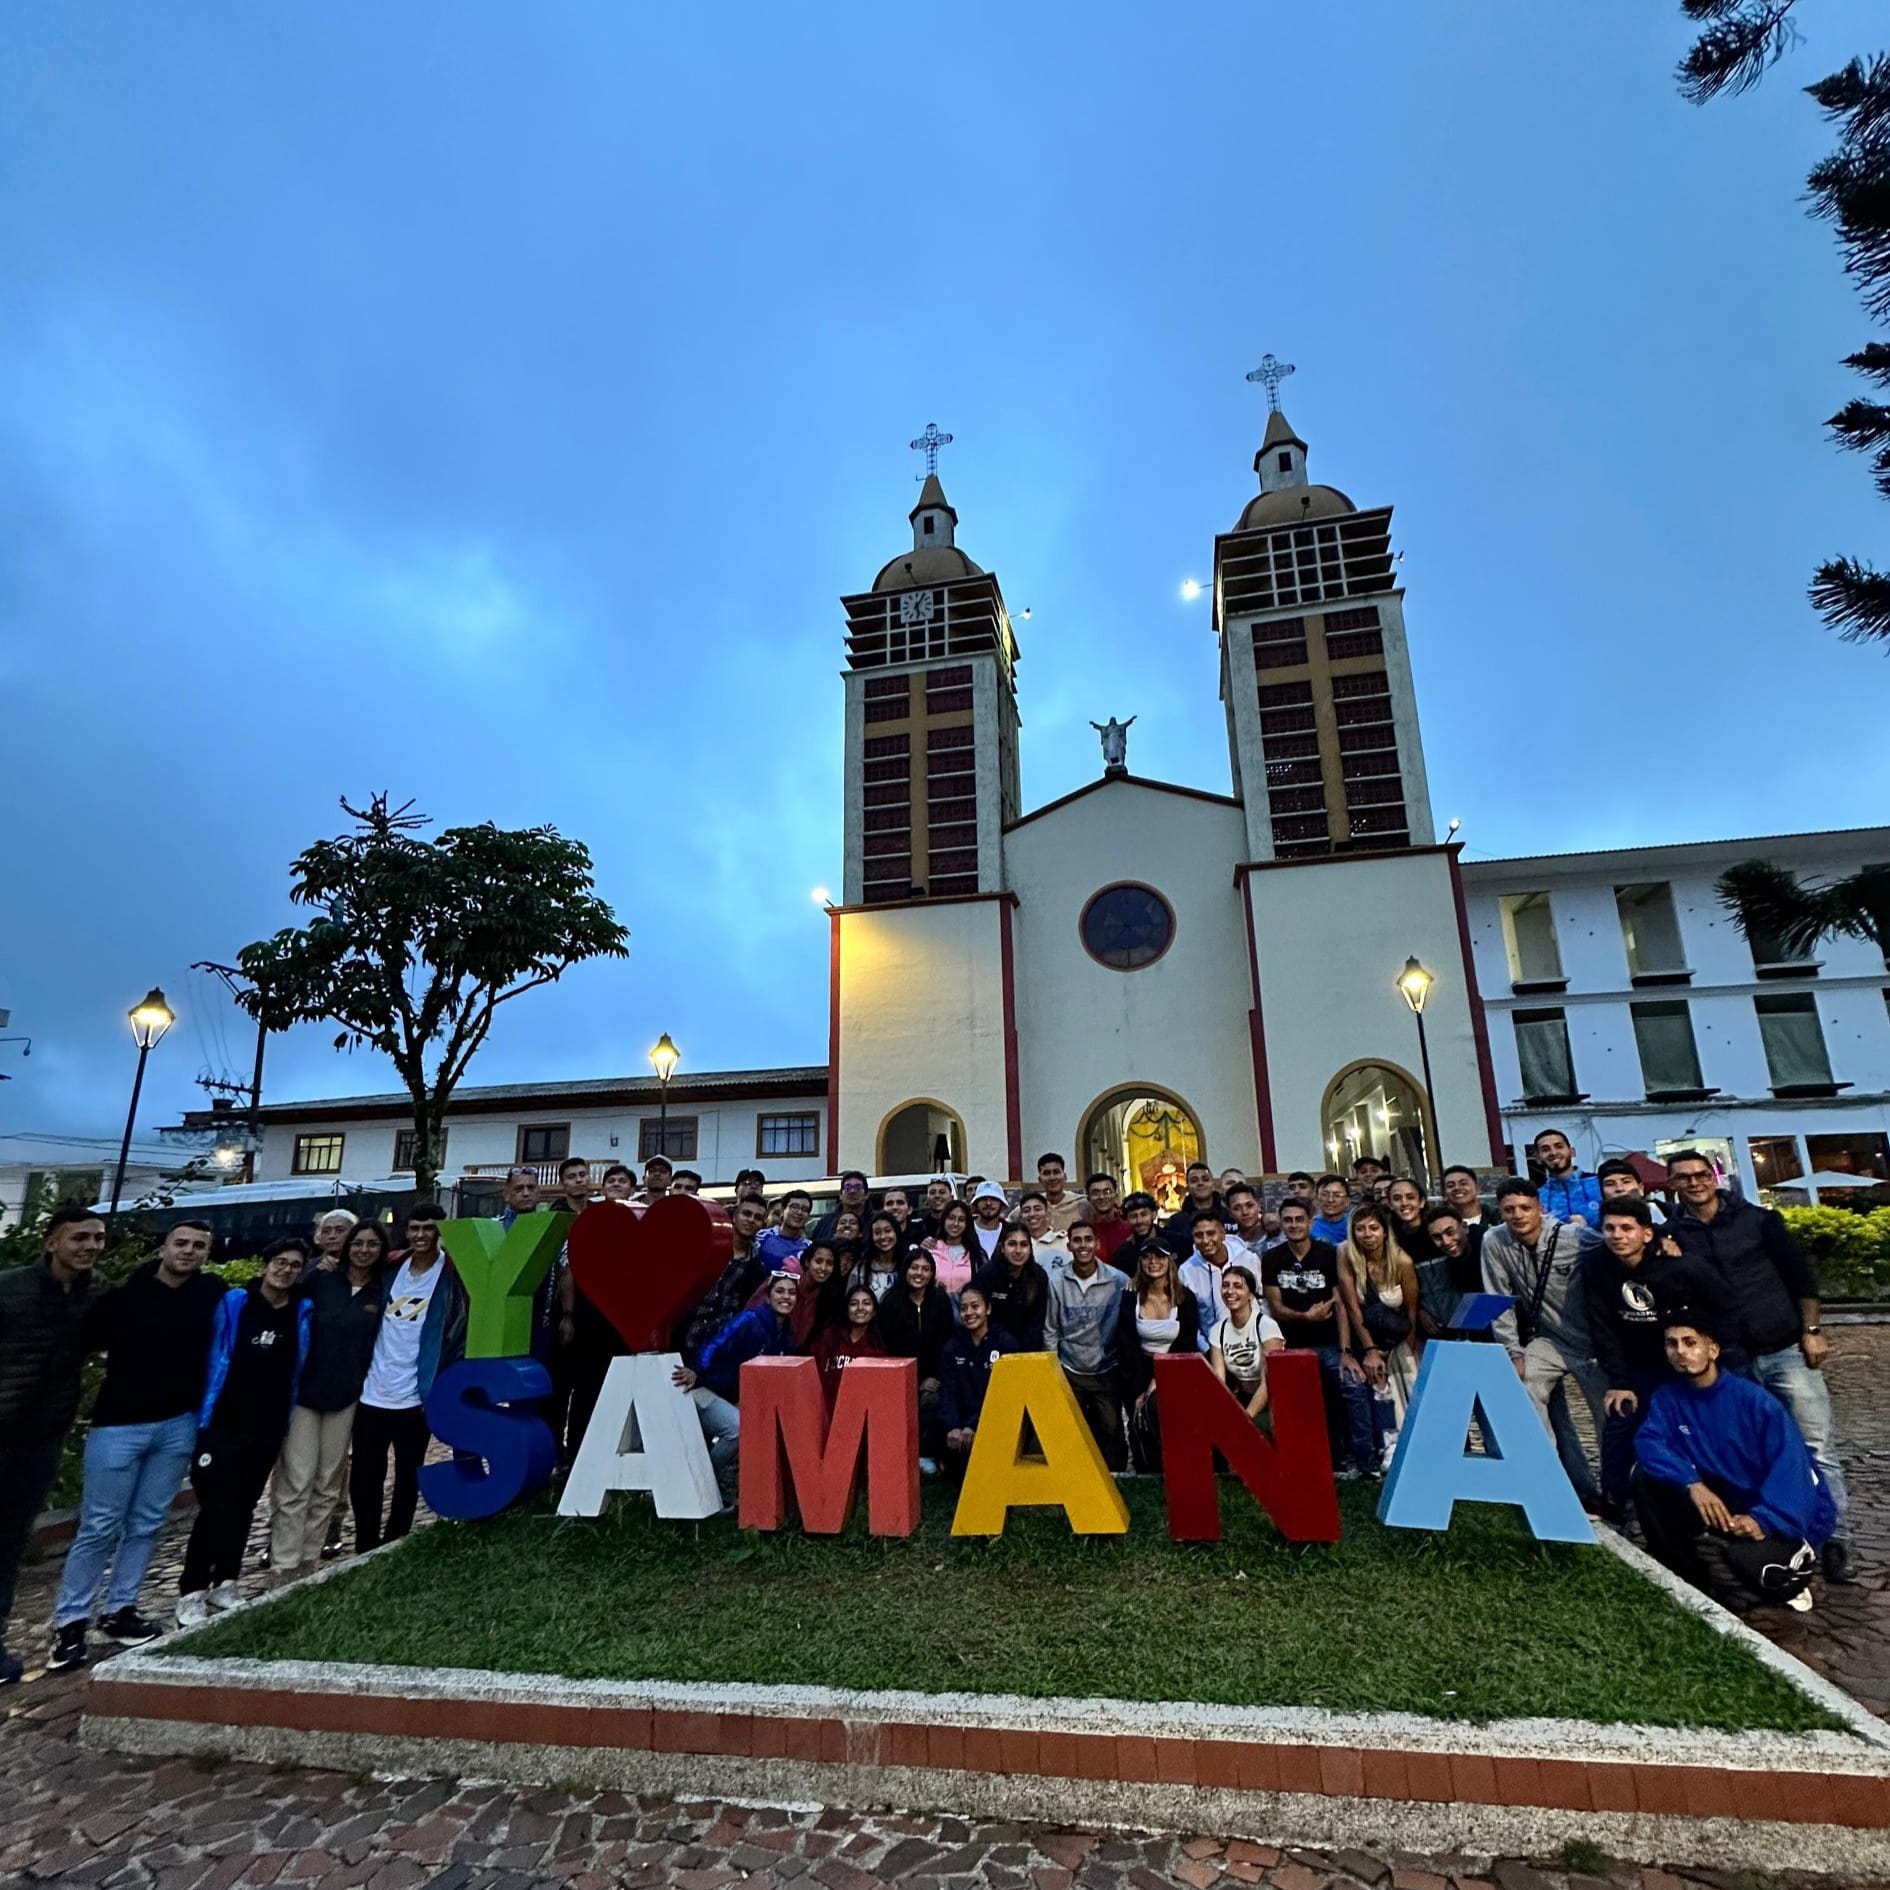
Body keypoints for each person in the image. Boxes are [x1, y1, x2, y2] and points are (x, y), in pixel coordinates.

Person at [1665, 1147, 1852, 1584]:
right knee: (1756, 1451)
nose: (1694, 1183)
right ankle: (1777, 1531)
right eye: (1683, 1178)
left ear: (1714, 1176)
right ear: (1672, 1185)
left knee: (1816, 1445)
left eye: (1699, 1174)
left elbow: (1799, 1276)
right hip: (1732, 1358)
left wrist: (1812, 1330)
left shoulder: (1758, 1220)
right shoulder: (1673, 1235)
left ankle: (1835, 1537)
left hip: (1784, 1346)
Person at [49, 1221, 224, 1671]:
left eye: (198, 1246)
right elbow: (77, 1345)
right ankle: (70, 1621)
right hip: (119, 1425)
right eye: (181, 1243)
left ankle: (120, 1608)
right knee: (99, 1525)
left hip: (177, 1424)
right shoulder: (122, 1298)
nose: (188, 1252)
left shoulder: (210, 1293)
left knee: (147, 1522)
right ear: (164, 1245)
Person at [1634, 1312, 1835, 1610]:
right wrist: (1691, 1483)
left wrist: (1762, 1519)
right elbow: (1649, 1443)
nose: (1681, 1352)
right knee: (1644, 1476)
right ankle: (1686, 1572)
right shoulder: (1667, 1398)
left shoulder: (1755, 1402)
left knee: (1759, 1572)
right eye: (1672, 1344)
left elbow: (1792, 1470)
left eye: (1691, 1343)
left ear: (1712, 1350)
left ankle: (1800, 1558)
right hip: (1727, 1500)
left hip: (1778, 1508)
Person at [175, 1241, 313, 1626]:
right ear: (266, 1264)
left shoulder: (301, 1311)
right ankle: (192, 1589)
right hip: (224, 1420)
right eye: (279, 1262)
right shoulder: (235, 1303)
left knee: (243, 1506)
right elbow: (213, 1351)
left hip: (267, 1424)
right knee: (215, 1505)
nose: (285, 1270)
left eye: (294, 1266)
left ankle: (226, 1581)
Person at [0, 1206, 105, 1683]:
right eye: (79, 1237)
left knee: (9, 1540)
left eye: (98, 1239)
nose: (89, 1246)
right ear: (51, 1241)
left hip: (41, 1436)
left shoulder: (96, 1296)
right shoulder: (11, 1288)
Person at [1582, 1197, 1727, 1526]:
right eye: (1610, 1228)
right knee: (1619, 1423)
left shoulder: (1677, 1264)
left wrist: (1709, 1356)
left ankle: (1698, 1498)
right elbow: (1601, 1325)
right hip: (1633, 1365)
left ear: (1646, 1234)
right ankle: (1615, 1500)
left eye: (1626, 1228)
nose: (1618, 1235)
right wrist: (1619, 1381)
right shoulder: (1595, 1265)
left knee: (1685, 1429)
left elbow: (1721, 1303)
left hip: (1680, 1363)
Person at [270, 1219, 389, 1579]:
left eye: (372, 1244)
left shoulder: (380, 1291)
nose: (363, 1250)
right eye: (358, 1243)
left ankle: (309, 1560)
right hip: (306, 1393)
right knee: (296, 1480)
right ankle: (283, 1563)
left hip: (348, 1396)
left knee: (328, 1482)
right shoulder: (321, 1281)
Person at [1481, 1177, 1607, 1509]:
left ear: (1539, 1208)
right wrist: (1512, 1350)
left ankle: (1615, 1490)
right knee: (1522, 1386)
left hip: (1592, 1343)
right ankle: (1546, 1479)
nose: (1518, 1215)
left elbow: (1616, 1247)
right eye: (1509, 1210)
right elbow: (1498, 1297)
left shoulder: (1574, 1237)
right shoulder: (1494, 1242)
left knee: (1608, 1415)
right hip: (1548, 1340)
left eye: (1525, 1207)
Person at [350, 1204, 466, 1555]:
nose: (420, 1235)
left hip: (417, 1391)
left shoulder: (451, 1274)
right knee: (365, 1474)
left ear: (439, 1231)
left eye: (428, 1228)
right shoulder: (391, 1267)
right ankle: (365, 1542)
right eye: (414, 1228)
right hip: (373, 1389)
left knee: (407, 1472)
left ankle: (395, 1537)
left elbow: (458, 1328)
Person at [1262, 1200, 1377, 1477]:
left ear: (1310, 1223)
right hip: (1290, 1344)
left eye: (1299, 1219)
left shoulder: (1328, 1254)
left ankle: (1366, 1461)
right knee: (1294, 1400)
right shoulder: (1272, 1258)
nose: (1293, 1225)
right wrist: (1305, 1317)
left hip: (1329, 1342)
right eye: (1287, 1220)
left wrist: (1346, 1350)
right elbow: (1276, 1308)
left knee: (1352, 1385)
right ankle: (1303, 1459)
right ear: (1281, 1223)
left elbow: (1341, 1305)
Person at [690, 1273, 801, 1505]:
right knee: (738, 1430)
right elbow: (714, 1343)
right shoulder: (749, 1319)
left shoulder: (787, 1335)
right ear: (768, 1298)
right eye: (780, 1291)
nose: (786, 1297)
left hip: (737, 1398)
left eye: (791, 1293)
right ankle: (700, 1482)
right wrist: (697, 1371)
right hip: (704, 1389)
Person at [1044, 1221, 1131, 1469]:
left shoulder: (1118, 1280)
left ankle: (1118, 1474)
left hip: (1105, 1368)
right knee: (1070, 1428)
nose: (1083, 1245)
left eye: (1088, 1240)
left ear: (1097, 1243)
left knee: (1112, 1428)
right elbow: (1050, 1327)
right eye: (1077, 1240)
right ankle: (1073, 1474)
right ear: (1069, 1245)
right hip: (1070, 1367)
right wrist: (1054, 1368)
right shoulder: (1056, 1281)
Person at [1339, 1203, 1419, 1462]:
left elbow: (1411, 1310)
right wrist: (1371, 1350)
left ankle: (1417, 1442)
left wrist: (1406, 1350)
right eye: (1360, 1229)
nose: (1367, 1234)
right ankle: (1388, 1444)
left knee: (1409, 1380)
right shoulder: (1345, 1254)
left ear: (1385, 1232)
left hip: (1399, 1335)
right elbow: (1352, 1308)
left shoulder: (1403, 1261)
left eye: (1374, 1228)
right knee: (1378, 1381)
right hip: (1366, 1335)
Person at [1116, 1243, 1199, 1470]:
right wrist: (1140, 1386)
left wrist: (1158, 1380)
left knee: (1163, 1414)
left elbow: (1187, 1342)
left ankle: (1176, 1467)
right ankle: (1146, 1469)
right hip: (1138, 1366)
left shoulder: (1185, 1298)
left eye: (1159, 1257)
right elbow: (1126, 1343)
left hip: (1175, 1366)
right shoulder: (1130, 1296)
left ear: (1170, 1261)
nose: (1153, 1262)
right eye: (1147, 1257)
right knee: (1138, 1418)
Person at [876, 1250, 955, 1470]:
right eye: (914, 1268)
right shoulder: (891, 1302)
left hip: (934, 1376)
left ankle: (927, 1453)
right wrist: (914, 1379)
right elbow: (887, 1346)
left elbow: (947, 1343)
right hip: (900, 1376)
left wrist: (933, 1377)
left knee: (933, 1400)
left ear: (932, 1273)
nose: (919, 1273)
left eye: (925, 1269)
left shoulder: (940, 1300)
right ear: (905, 1270)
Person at [937, 1284, 1012, 1475]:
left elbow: (1004, 1397)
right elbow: (948, 1392)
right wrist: (953, 1426)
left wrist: (974, 1425)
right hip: (961, 1422)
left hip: (994, 1419)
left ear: (987, 1308)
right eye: (963, 1308)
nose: (969, 1312)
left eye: (975, 1306)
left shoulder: (1005, 1343)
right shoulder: (952, 1347)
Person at [1207, 1264, 1284, 1421]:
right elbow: (1219, 1382)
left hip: (1274, 1400)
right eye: (1225, 1286)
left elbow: (1270, 1383)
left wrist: (1245, 1419)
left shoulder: (1266, 1326)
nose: (1230, 1291)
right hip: (1242, 1397)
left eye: (1238, 1286)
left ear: (1250, 1295)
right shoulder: (1217, 1331)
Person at [747, 1237, 847, 1345]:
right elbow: (753, 1309)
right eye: (818, 1261)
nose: (823, 1268)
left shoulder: (824, 1296)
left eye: (829, 1263)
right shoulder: (784, 1278)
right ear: (808, 1262)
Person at [973, 1222, 1050, 1351]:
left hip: (1028, 1349)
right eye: (1012, 1244)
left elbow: (1037, 1321)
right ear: (1002, 1247)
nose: (1018, 1251)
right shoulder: (987, 1273)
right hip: (992, 1345)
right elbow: (983, 1317)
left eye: (1024, 1245)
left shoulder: (1039, 1276)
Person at [812, 1286, 886, 1407]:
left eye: (866, 1303)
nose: (860, 1308)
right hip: (824, 1410)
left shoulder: (877, 1348)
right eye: (854, 1304)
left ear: (874, 1312)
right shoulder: (829, 1338)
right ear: (846, 1310)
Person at [1178, 1215, 1236, 1351]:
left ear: (1222, 1233)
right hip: (1210, 1348)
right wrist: (1207, 1349)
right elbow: (1189, 1320)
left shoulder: (1248, 1259)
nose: (1205, 1240)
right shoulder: (1186, 1271)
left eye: (1211, 1233)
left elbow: (1260, 1303)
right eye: (1199, 1235)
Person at [1533, 1130, 1602, 1228]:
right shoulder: (1537, 1197)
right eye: (1545, 1149)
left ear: (1572, 1151)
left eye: (1559, 1146)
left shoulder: (1599, 1184)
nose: (1553, 1152)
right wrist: (1566, 1219)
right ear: (1538, 1158)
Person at [1157, 1163, 1226, 1258]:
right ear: (1187, 1187)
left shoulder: (1228, 1215)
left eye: (1205, 1179)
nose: (1200, 1183)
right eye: (1194, 1181)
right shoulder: (1176, 1222)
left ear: (1213, 1184)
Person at [923, 1199, 976, 1302]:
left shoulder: (975, 1253)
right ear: (944, 1220)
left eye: (961, 1220)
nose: (955, 1223)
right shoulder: (930, 1248)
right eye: (951, 1218)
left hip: (965, 1312)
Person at [1441, 1166, 1496, 1265]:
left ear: (1477, 1188)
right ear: (1445, 1194)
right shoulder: (1441, 1226)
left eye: (1463, 1183)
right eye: (1450, 1186)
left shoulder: (1497, 1218)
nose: (1457, 1188)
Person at [1598, 1157, 1670, 1228]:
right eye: (1610, 1184)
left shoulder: (1670, 1215)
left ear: (1641, 1188)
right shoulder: (1595, 1232)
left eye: (1626, 1182)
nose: (1619, 1188)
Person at [756, 1189, 813, 1272]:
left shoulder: (810, 1247)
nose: (799, 1212)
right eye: (794, 1207)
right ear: (782, 1211)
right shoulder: (761, 1237)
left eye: (805, 1210)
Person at [1081, 1174, 1133, 1262]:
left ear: (1116, 1195)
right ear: (1088, 1198)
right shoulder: (1084, 1232)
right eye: (1095, 1193)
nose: (1101, 1197)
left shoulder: (1130, 1229)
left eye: (1107, 1192)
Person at [857, 1214, 907, 1301]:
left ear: (896, 1233)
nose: (883, 1237)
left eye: (888, 1231)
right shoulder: (862, 1267)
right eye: (877, 1233)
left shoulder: (908, 1264)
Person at [1385, 1179, 1434, 1263]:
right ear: (1390, 1205)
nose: (1404, 1203)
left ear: (1422, 1202)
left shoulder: (1436, 1232)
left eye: (1410, 1197)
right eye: (1397, 1199)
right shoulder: (1389, 1239)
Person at [1017, 1192, 1070, 1269]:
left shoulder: (1064, 1242)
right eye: (1026, 1210)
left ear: (1047, 1213)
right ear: (1021, 1216)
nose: (1032, 1214)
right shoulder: (1015, 1244)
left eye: (1037, 1209)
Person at [812, 1171, 871, 1242]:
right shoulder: (825, 1223)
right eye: (847, 1187)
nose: (852, 1191)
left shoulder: (875, 1222)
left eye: (857, 1187)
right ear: (840, 1195)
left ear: (866, 1195)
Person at [1035, 1154, 1086, 1235]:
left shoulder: (1082, 1203)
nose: (1052, 1178)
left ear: (1065, 1177)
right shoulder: (1033, 1205)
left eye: (1056, 1172)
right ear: (1040, 1180)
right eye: (1047, 1173)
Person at [1223, 1184, 1271, 1265]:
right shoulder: (1230, 1247)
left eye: (1249, 1205)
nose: (1245, 1212)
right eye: (1237, 1208)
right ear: (1230, 1213)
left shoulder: (1279, 1236)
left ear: (1259, 1206)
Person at [967, 1180, 1012, 1262]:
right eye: (983, 1199)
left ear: (1001, 1204)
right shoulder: (965, 1229)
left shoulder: (1011, 1231)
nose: (988, 1203)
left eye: (994, 1199)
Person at [308, 1209, 358, 1277]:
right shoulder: (306, 1267)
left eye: (340, 1230)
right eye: (326, 1231)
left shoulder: (360, 1266)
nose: (332, 1236)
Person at [1310, 1175, 1353, 1247]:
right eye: (1324, 1195)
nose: (1330, 1200)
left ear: (1347, 1201)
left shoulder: (1355, 1223)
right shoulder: (1309, 1226)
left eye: (1337, 1195)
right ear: (1316, 1199)